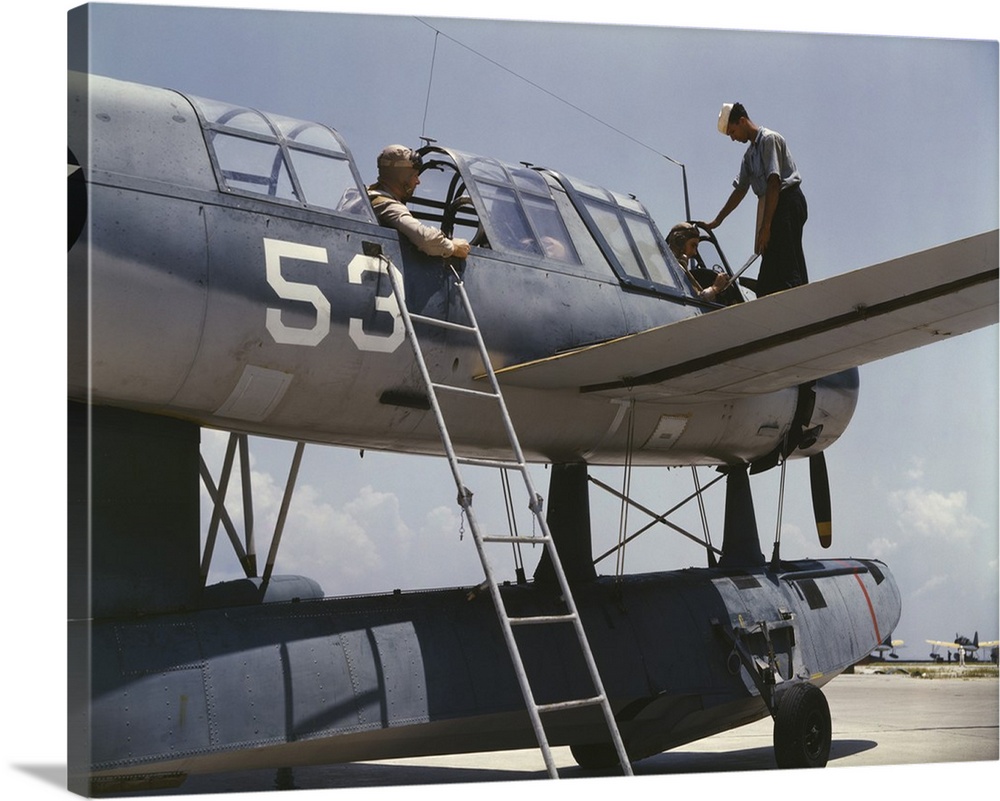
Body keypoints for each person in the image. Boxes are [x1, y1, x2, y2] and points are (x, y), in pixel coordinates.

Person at [704, 103, 808, 296]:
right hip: (772, 206)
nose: (733, 138)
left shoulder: (769, 139)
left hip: (787, 201)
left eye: (733, 132)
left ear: (742, 121)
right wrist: (718, 220)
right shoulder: (749, 156)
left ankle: (797, 296)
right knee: (770, 263)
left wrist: (765, 227)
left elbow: (774, 182)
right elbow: (740, 190)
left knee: (787, 258)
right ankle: (767, 296)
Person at [366, 145, 471, 259]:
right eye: (415, 175)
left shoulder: (358, 195)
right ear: (402, 177)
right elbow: (425, 238)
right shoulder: (387, 205)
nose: (418, 181)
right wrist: (453, 247)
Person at [667, 222, 729, 302]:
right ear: (679, 242)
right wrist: (714, 289)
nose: (694, 252)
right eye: (693, 245)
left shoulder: (679, 268)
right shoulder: (670, 269)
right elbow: (695, 301)